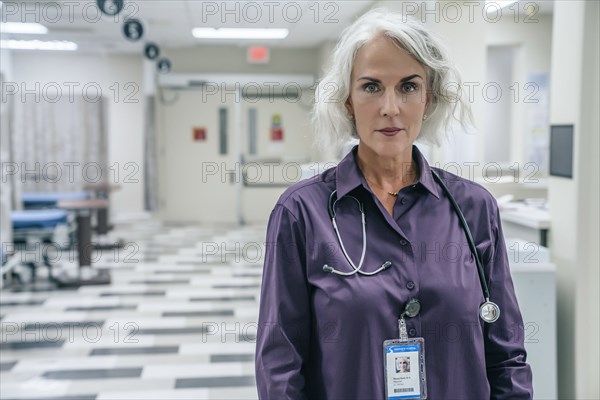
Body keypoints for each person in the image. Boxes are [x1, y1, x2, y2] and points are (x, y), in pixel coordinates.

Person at [255, 8, 533, 400]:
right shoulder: (303, 213)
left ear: (428, 98)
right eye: (371, 87)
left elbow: (506, 355)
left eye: (408, 87)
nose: (390, 107)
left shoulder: (474, 209)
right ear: (347, 100)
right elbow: (280, 363)